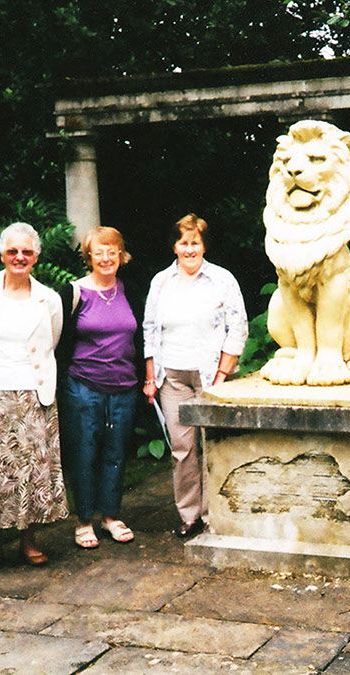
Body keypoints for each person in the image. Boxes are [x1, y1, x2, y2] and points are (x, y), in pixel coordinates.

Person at [0, 222, 68, 573]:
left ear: (36, 256)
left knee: (31, 471)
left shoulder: (48, 297)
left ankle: (29, 541)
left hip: (35, 394)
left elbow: (55, 338)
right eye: (13, 251)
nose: (20, 257)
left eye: (27, 251)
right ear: (1, 253)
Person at [143, 214, 248, 539]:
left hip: (210, 375)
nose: (189, 249)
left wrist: (221, 374)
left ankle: (215, 514)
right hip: (172, 376)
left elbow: (238, 328)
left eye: (195, 242)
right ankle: (190, 516)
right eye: (183, 242)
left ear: (204, 245)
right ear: (175, 245)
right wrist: (150, 376)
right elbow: (150, 329)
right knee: (182, 448)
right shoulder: (161, 282)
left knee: (213, 445)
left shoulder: (222, 280)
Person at [57, 227, 143, 550]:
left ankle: (110, 515)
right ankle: (83, 520)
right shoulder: (73, 292)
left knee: (116, 452)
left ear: (121, 256)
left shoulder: (130, 290)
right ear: (89, 256)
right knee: (84, 452)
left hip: (124, 386)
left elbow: (141, 336)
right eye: (99, 252)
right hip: (83, 387)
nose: (106, 258)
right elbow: (58, 340)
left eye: (112, 252)